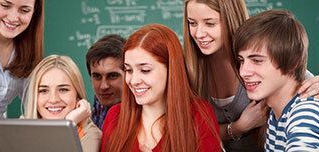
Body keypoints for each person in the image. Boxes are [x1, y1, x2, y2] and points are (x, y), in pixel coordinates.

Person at [183, 0, 319, 151]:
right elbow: (187, 133)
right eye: (192, 23)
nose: (199, 34)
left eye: (210, 23)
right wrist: (238, 127)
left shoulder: (300, 113)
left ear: (230, 19)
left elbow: (296, 76)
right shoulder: (187, 70)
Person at [101, 24, 221, 152]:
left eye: (145, 70)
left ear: (171, 70)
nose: (134, 81)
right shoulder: (115, 116)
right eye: (128, 70)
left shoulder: (199, 115)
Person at [234, 9, 319, 151]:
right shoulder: (276, 112)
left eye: (257, 60)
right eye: (241, 60)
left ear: (293, 62)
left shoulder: (304, 113)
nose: (243, 72)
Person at [23, 55, 102, 152]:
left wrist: (69, 123)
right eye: (43, 90)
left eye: (63, 89)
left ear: (77, 94)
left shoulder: (90, 134)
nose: (53, 99)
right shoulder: (21, 127)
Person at [85, 34, 126, 129]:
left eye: (112, 76)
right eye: (97, 76)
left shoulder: (143, 116)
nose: (103, 86)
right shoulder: (97, 108)